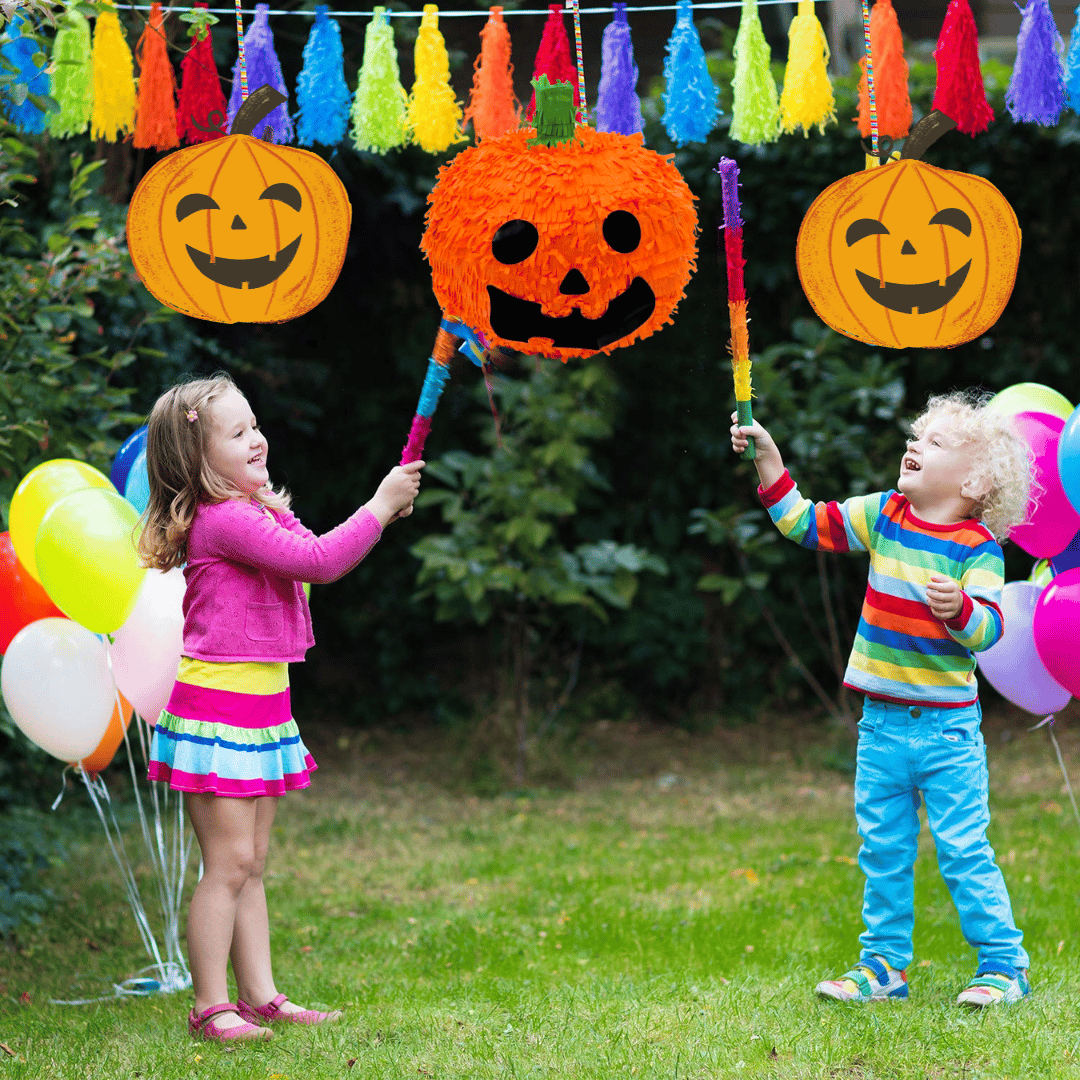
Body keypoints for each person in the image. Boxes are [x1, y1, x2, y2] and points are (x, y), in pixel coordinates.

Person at [137, 372, 423, 1043]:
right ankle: (211, 1005)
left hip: (259, 710)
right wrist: (378, 507)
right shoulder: (226, 519)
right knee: (229, 865)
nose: (257, 439)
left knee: (252, 863)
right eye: (237, 434)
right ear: (198, 462)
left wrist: (270, 494)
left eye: (255, 425)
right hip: (219, 714)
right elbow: (319, 561)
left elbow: (303, 544)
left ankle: (260, 995)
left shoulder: (251, 509)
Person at [730, 390, 1034, 1007]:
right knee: (884, 852)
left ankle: (1005, 966)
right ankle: (883, 968)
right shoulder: (885, 515)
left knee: (963, 851)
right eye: (915, 436)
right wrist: (769, 459)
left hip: (948, 734)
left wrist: (961, 611)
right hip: (881, 729)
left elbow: (991, 630)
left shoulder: (979, 549)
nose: (913, 445)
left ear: (973, 480)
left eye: (933, 441)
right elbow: (804, 522)